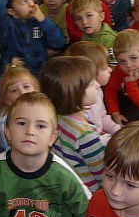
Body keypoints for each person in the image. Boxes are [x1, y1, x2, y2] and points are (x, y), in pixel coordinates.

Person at [42, 55, 106, 193]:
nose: (98, 84)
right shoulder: (84, 135)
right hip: (89, 196)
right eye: (91, 83)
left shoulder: (55, 118)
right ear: (73, 92)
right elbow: (105, 175)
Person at [0, 0, 65, 75]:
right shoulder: (7, 24)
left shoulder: (37, 23)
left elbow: (58, 43)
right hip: (14, 72)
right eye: (24, 2)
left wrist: (43, 20)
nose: (31, 4)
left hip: (39, 72)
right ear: (12, 12)